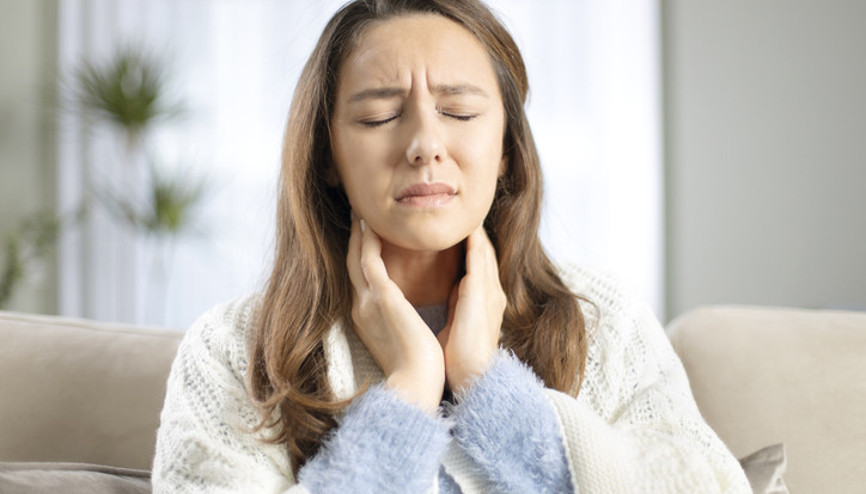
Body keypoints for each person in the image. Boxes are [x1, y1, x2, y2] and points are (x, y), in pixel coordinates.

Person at [153, 0, 751, 492]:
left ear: (507, 147)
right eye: (379, 117)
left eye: (459, 112)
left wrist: (487, 384)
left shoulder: (604, 322)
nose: (425, 145)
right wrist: (408, 392)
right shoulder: (234, 349)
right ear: (327, 156)